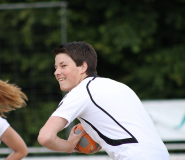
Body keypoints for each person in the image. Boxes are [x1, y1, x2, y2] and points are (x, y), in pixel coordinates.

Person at [37, 41, 170, 160]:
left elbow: (45, 137)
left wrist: (69, 146)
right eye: (56, 67)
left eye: (63, 66)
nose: (56, 72)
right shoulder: (119, 86)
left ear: (83, 67)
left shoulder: (81, 91)